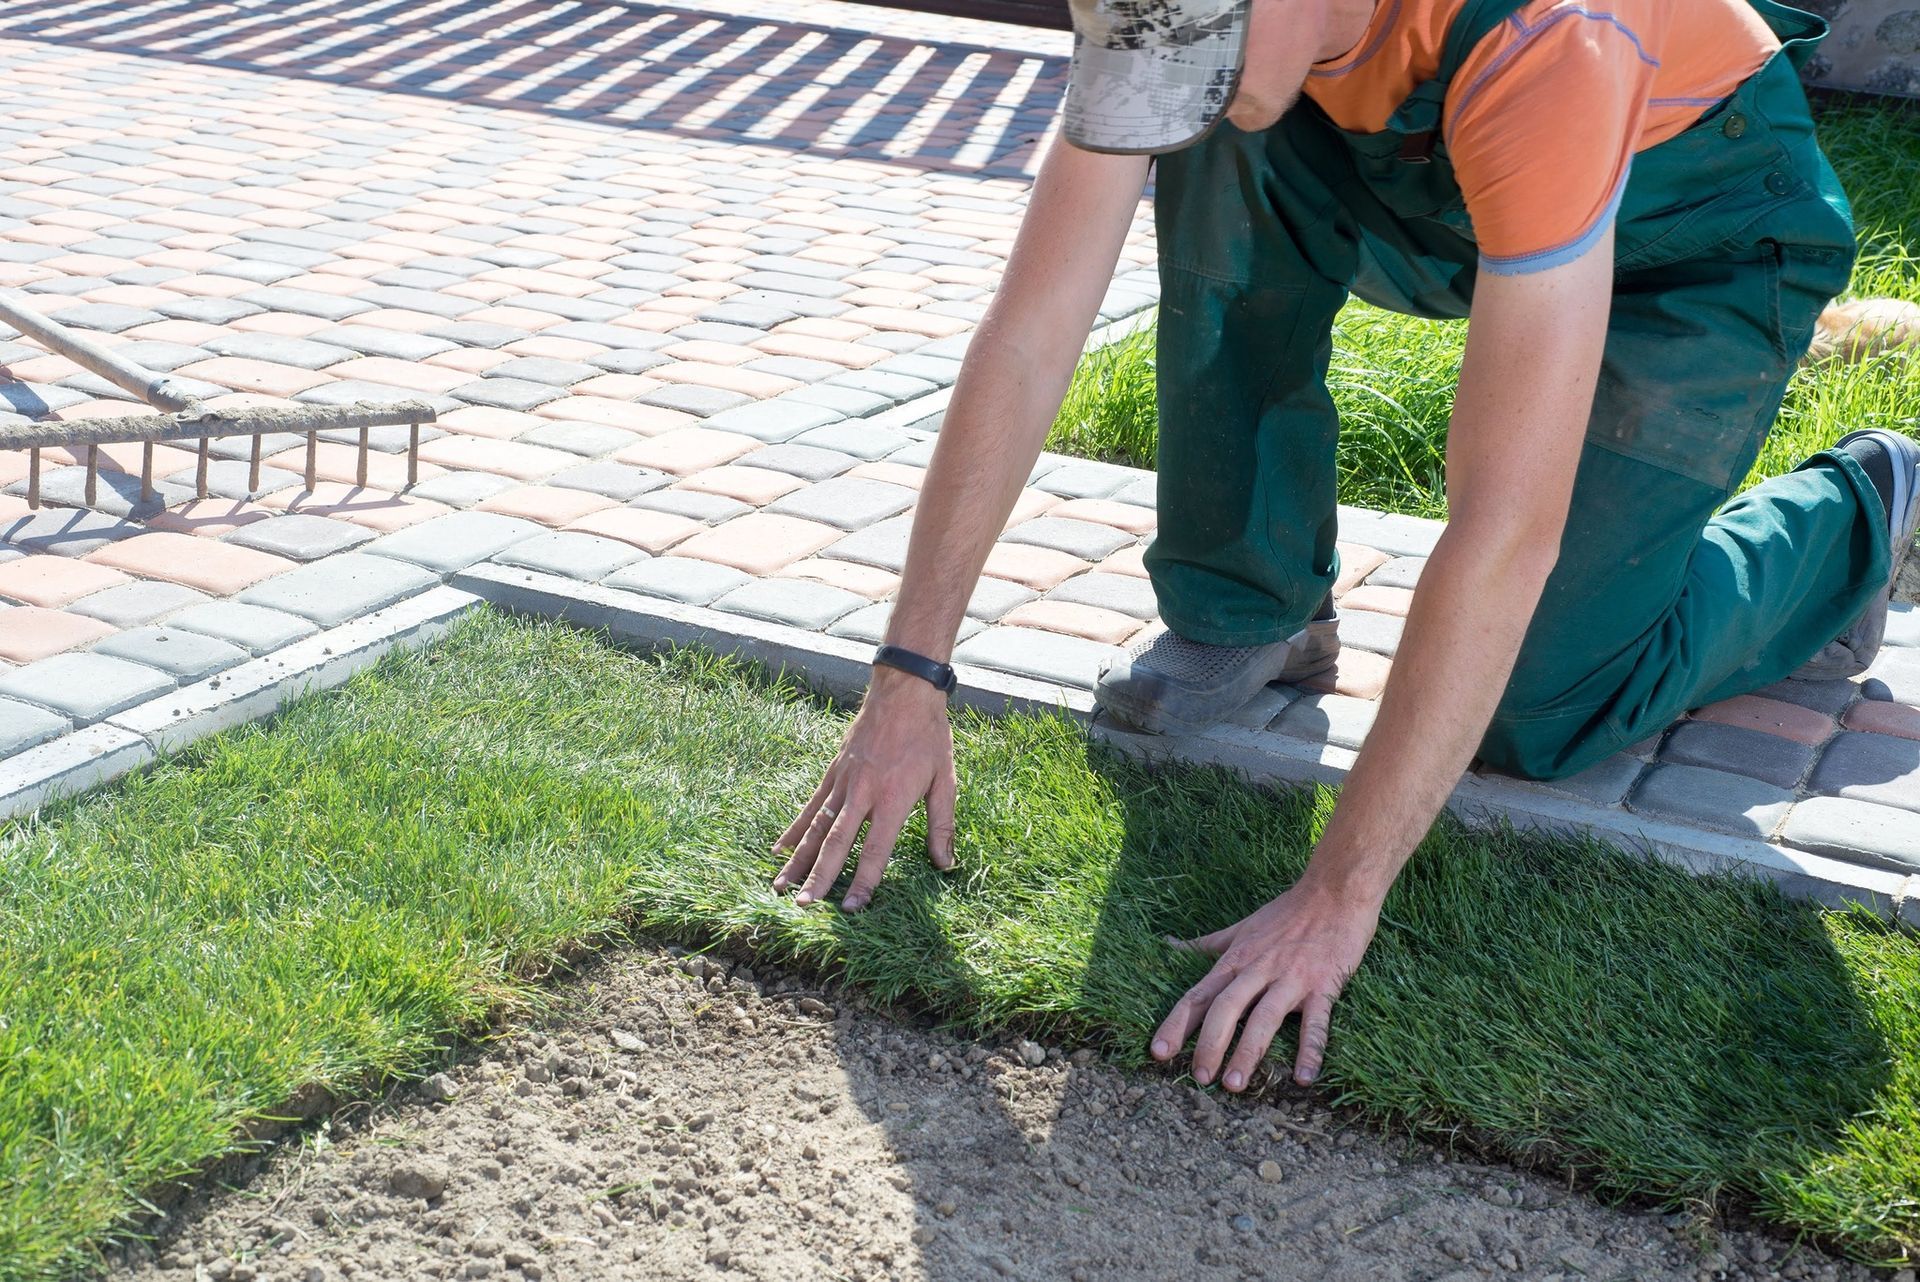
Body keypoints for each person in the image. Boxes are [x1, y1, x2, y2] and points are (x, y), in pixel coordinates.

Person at [769, 0, 1920, 1094]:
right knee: (1224, 134)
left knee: (1536, 709)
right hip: (1447, 175)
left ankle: (1859, 510)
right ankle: (1255, 606)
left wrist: (1339, 890)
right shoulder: (1197, 25)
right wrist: (910, 671)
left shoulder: (1552, 37)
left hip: (1696, 227)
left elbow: (1503, 531)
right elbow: (1028, 333)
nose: (1172, 59)